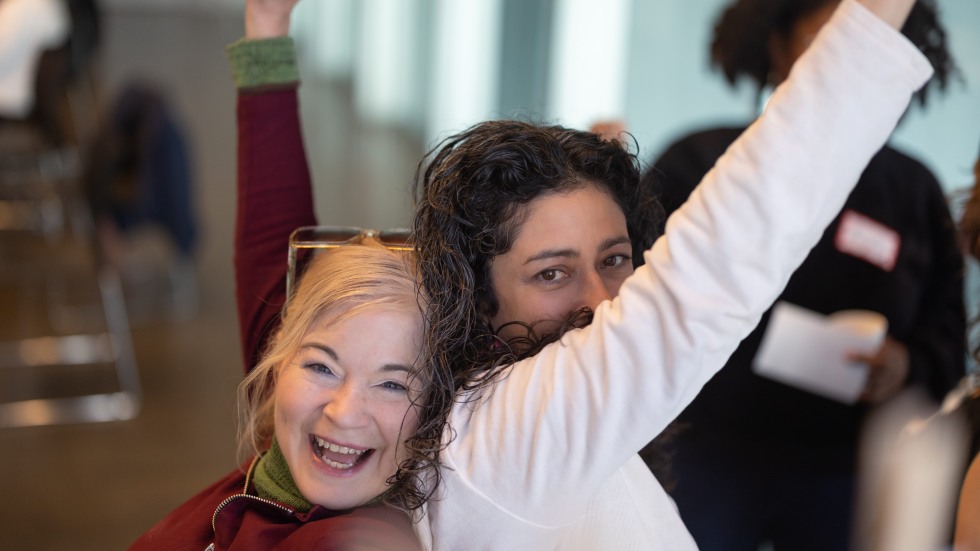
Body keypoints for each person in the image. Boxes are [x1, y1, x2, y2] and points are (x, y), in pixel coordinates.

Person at [233, 0, 930, 548]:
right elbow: (726, 253)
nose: (601, 301)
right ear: (473, 296)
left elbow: (278, 264)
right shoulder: (514, 428)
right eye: (551, 273)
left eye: (617, 259)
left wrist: (266, 33)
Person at [631, 1, 965, 549]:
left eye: (864, 45)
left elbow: (951, 334)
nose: (844, 63)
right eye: (825, 42)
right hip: (702, 449)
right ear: (776, 45)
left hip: (840, 469)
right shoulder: (700, 161)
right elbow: (633, 298)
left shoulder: (913, 193)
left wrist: (906, 365)